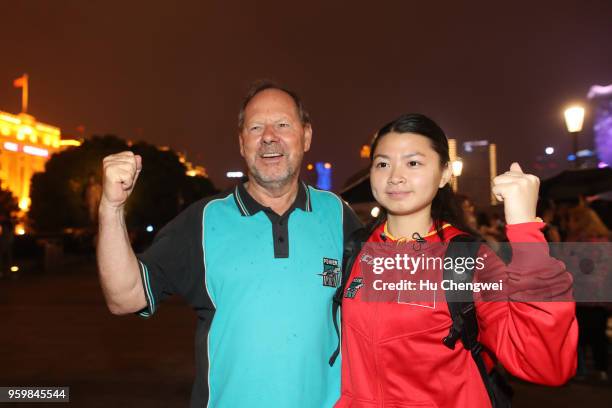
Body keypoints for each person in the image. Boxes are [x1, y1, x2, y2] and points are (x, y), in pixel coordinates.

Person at [97, 81, 362, 408]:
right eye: (255, 127)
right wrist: (111, 207)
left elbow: (393, 304)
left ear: (306, 136)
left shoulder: (338, 215)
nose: (268, 136)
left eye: (282, 124)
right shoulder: (203, 221)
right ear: (241, 142)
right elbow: (125, 298)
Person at [334, 113, 578, 407]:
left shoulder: (466, 259)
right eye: (383, 163)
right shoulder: (355, 249)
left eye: (413, 163)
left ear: (445, 174)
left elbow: (544, 364)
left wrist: (525, 227)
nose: (395, 176)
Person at [567, 205, 610, 381]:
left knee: (581, 334)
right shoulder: (605, 241)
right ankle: (602, 369)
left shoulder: (576, 244)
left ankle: (580, 368)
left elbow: (569, 269)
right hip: (602, 297)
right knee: (599, 334)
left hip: (582, 295)